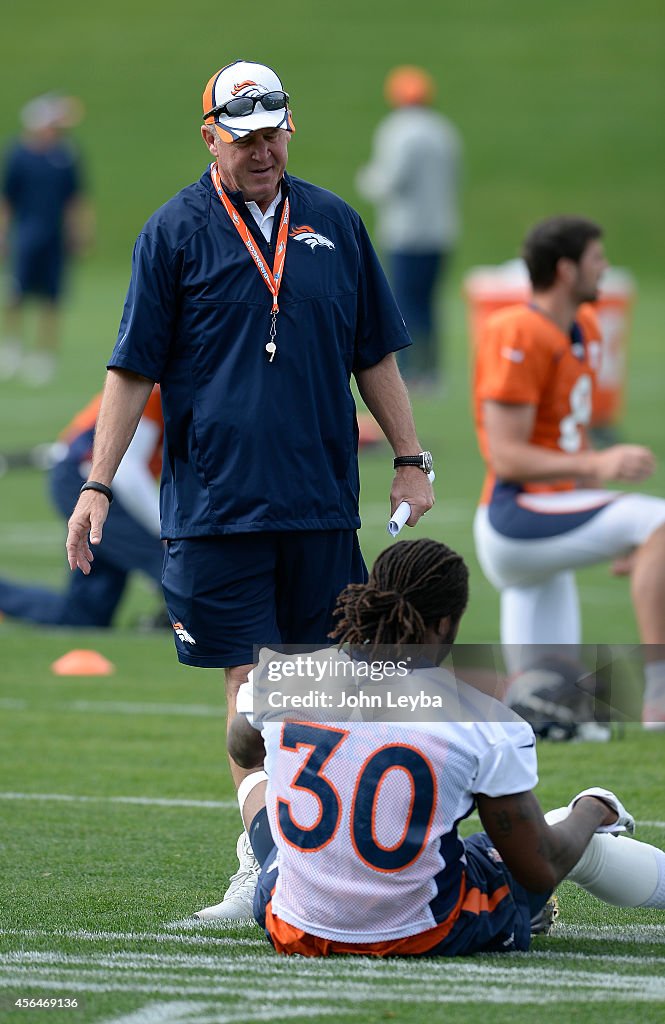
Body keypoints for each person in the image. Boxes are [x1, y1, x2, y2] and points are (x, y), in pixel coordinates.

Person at [64, 59, 434, 920]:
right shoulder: (172, 232)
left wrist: (410, 456)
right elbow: (130, 370)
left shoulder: (335, 223)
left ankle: (305, 858)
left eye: (274, 134)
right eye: (245, 138)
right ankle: (263, 865)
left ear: (290, 130)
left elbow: (372, 351)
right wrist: (97, 485)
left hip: (317, 500)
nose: (263, 151)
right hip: (216, 505)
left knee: (313, 686)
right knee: (251, 688)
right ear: (211, 139)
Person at [226, 538, 665, 956]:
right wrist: (592, 808)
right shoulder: (483, 718)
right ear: (443, 623)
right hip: (425, 930)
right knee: (556, 837)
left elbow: (244, 753)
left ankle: (280, 860)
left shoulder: (281, 677)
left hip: (290, 923)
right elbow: (540, 869)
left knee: (260, 786)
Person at [472, 215, 665, 730]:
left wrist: (618, 526)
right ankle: (660, 699)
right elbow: (507, 457)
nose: (604, 268)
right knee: (660, 520)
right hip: (516, 515)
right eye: (596, 258)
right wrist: (598, 464)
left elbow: (569, 435)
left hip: (552, 519)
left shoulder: (583, 328)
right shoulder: (517, 330)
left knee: (552, 711)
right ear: (565, 269)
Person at [0, 387, 164, 628]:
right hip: (88, 482)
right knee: (173, 567)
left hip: (89, 480)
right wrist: (164, 529)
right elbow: (126, 471)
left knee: (84, 616)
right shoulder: (156, 390)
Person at [356, 66, 462, 392]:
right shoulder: (444, 131)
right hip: (441, 230)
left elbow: (390, 181)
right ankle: (431, 370)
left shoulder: (397, 131)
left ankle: (408, 371)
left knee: (402, 303)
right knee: (429, 303)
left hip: (406, 231)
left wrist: (367, 180)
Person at [0, 93, 93, 386]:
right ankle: (12, 347)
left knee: (51, 297)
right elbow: (7, 199)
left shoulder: (66, 156)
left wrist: (80, 230)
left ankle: (44, 354)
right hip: (26, 233)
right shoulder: (19, 155)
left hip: (55, 237)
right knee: (16, 291)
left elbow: (75, 198)